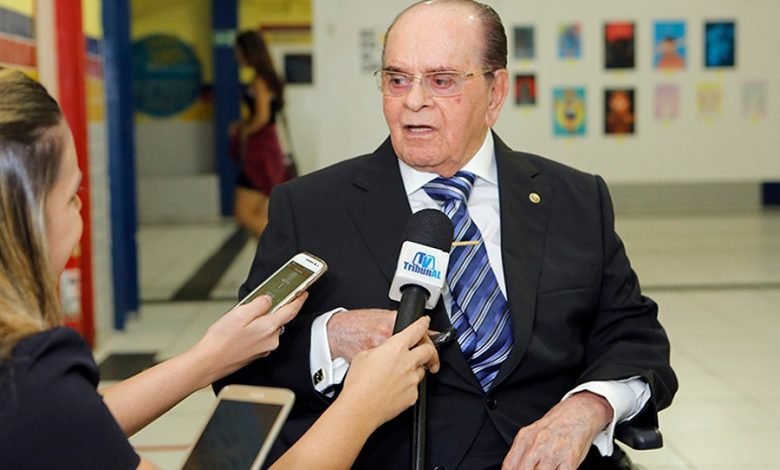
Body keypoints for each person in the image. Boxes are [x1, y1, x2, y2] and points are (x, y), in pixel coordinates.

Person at [217, 1, 678, 469]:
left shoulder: (575, 198)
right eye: (397, 79)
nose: (413, 100)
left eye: (441, 80)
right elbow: (238, 370)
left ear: (496, 93)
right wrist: (329, 338)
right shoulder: (310, 208)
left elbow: (633, 335)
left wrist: (590, 407)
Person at [0, 67, 439, 469]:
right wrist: (361, 406)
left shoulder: (29, 391)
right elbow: (58, 420)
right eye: (71, 197)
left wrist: (208, 359)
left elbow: (71, 428)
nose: (80, 214)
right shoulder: (31, 374)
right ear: (24, 220)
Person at [229, 29, 288, 237]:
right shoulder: (268, 78)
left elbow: (262, 116)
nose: (237, 56)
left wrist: (244, 130)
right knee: (257, 213)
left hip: (260, 151)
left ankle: (282, 243)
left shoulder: (259, 81)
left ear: (249, 52)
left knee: (243, 213)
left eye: (239, 51)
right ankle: (272, 253)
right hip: (268, 147)